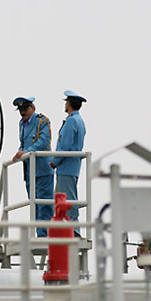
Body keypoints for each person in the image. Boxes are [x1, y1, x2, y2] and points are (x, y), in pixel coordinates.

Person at [12, 96, 54, 237]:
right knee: (34, 204)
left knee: (45, 204)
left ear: (32, 108)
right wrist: (20, 153)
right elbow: (23, 143)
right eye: (20, 110)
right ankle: (39, 232)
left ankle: (45, 234)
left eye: (25, 109)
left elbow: (44, 142)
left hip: (42, 168)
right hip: (30, 170)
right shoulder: (22, 124)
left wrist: (26, 152)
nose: (22, 112)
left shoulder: (42, 121)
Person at [50, 90, 87, 237]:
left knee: (68, 198)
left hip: (66, 166)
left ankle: (74, 229)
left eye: (66, 102)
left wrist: (55, 162)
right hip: (72, 166)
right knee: (62, 197)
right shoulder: (79, 120)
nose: (65, 105)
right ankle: (65, 227)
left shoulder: (72, 120)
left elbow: (65, 145)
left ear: (70, 104)